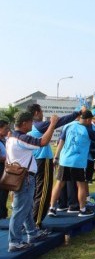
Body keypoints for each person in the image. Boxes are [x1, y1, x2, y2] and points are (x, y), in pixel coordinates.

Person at [48, 110, 95, 218]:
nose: (91, 122)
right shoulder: (87, 130)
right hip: (78, 162)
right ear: (88, 119)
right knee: (81, 185)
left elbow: (61, 142)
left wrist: (56, 157)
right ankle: (82, 210)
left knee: (59, 184)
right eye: (91, 120)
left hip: (64, 161)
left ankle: (52, 209)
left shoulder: (68, 126)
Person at [27, 103, 85, 229]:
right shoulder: (39, 125)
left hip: (35, 161)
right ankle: (36, 224)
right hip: (42, 160)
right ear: (36, 112)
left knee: (37, 191)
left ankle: (32, 222)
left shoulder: (30, 126)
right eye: (41, 111)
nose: (42, 113)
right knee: (43, 193)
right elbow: (61, 122)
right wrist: (77, 113)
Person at [7, 111, 58, 252]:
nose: (32, 124)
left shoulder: (12, 137)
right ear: (24, 124)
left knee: (26, 208)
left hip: (20, 177)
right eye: (30, 122)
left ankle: (32, 233)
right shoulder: (21, 138)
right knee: (20, 210)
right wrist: (53, 124)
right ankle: (14, 241)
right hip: (25, 178)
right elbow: (43, 142)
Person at [0, 117, 11, 219]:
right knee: (2, 193)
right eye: (6, 128)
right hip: (1, 168)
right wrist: (8, 158)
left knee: (5, 193)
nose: (8, 130)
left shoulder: (5, 140)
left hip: (6, 169)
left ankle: (3, 214)